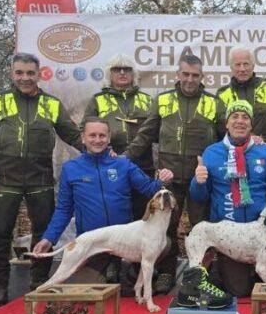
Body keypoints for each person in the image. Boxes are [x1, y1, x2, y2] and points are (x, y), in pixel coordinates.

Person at [0, 53, 83, 310]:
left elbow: (73, 135)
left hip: (40, 178)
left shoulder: (52, 103)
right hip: (5, 179)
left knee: (44, 232)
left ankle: (39, 283)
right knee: (0, 234)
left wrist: (99, 151)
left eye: (29, 73)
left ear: (39, 74)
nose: (24, 78)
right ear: (12, 74)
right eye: (19, 73)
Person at [188, 100, 266, 297]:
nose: (240, 121)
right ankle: (222, 271)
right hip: (230, 232)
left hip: (263, 225)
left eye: (245, 117)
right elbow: (199, 198)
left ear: (251, 125)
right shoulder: (212, 152)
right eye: (234, 116)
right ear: (226, 123)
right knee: (240, 291)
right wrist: (198, 182)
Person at [32, 117, 173, 283]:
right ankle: (108, 270)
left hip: (123, 242)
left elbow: (148, 188)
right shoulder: (71, 169)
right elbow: (64, 210)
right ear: (83, 138)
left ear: (109, 138)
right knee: (90, 292)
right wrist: (49, 238)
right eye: (92, 135)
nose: (97, 140)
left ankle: (124, 266)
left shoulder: (123, 164)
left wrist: (164, 180)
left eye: (102, 135)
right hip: (92, 243)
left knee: (165, 244)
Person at [124, 54, 220, 290]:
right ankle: (167, 272)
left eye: (195, 75)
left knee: (201, 228)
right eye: (185, 74)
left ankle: (201, 274)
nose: (190, 79)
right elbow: (146, 134)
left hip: (200, 179)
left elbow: (224, 139)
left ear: (202, 77)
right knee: (164, 228)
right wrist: (123, 159)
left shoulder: (214, 102)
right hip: (169, 179)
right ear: (178, 74)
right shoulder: (163, 99)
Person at [83, 53, 159, 293]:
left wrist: (128, 156)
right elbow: (87, 131)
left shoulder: (147, 100)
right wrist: (104, 155)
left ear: (134, 74)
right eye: (117, 69)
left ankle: (140, 271)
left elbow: (155, 132)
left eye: (127, 69)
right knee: (116, 221)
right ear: (110, 74)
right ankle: (112, 268)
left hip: (142, 167)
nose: (122, 73)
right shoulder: (98, 100)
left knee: (143, 220)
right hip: (109, 168)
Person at [216, 47, 266, 147]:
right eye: (238, 64)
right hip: (232, 152)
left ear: (253, 65)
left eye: (246, 64)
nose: (242, 69)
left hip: (264, 151)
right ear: (231, 67)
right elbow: (220, 128)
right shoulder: (222, 94)